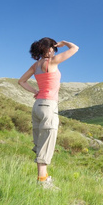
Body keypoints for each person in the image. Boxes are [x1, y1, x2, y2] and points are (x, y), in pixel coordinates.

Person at [18, 37, 79, 190]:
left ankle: (42, 178)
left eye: (54, 47)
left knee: (40, 144)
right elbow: (75, 48)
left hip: (37, 105)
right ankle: (43, 182)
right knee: (47, 144)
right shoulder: (52, 62)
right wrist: (65, 43)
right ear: (45, 49)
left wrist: (35, 91)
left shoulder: (35, 65)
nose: (53, 50)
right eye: (51, 47)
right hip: (48, 106)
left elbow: (21, 81)